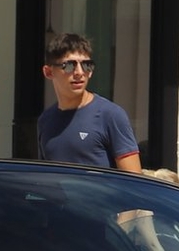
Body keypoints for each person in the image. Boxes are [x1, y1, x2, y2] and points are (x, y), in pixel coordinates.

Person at [36, 32, 141, 170]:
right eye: (69, 66)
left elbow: (133, 181)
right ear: (49, 72)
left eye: (87, 65)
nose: (79, 72)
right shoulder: (45, 120)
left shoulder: (110, 115)